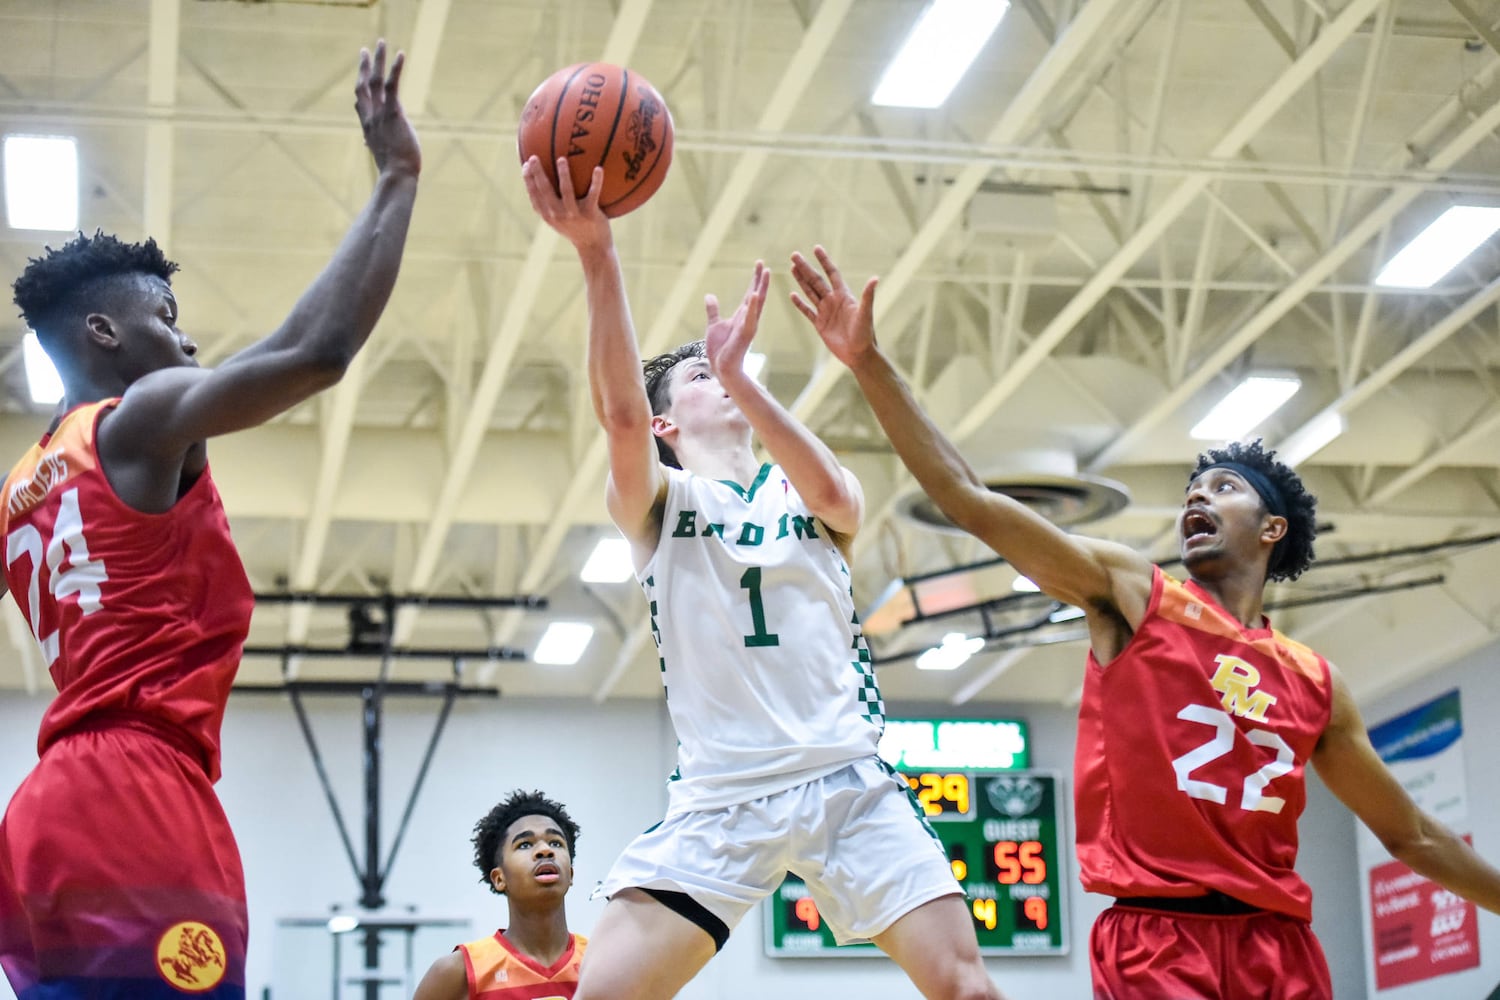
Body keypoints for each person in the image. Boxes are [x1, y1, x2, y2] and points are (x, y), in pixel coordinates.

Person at [795, 244, 1500, 999]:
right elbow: (967, 497)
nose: (1199, 495)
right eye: (1193, 486)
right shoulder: (1135, 593)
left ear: (1271, 530)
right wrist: (867, 362)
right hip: (1157, 939)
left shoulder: (1319, 683)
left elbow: (1413, 836)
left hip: (1279, 947)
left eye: (1224, 487)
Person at [521, 159, 1008, 1000]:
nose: (726, 372)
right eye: (703, 374)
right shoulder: (661, 502)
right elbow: (619, 415)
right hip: (722, 795)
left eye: (733, 369)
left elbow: (836, 497)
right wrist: (598, 255)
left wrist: (738, 375)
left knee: (966, 987)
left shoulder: (804, 486)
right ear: (671, 421)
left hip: (846, 782)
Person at [0, 40, 420, 999]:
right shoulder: (138, 420)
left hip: (44, 817)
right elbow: (315, 351)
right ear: (104, 333)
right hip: (136, 798)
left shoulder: (22, 484)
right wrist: (397, 175)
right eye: (166, 313)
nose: (184, 337)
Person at [413, 790, 586, 1000]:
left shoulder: (603, 962)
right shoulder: (457, 972)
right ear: (499, 878)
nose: (545, 850)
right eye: (525, 844)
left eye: (556, 843)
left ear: (571, 873)